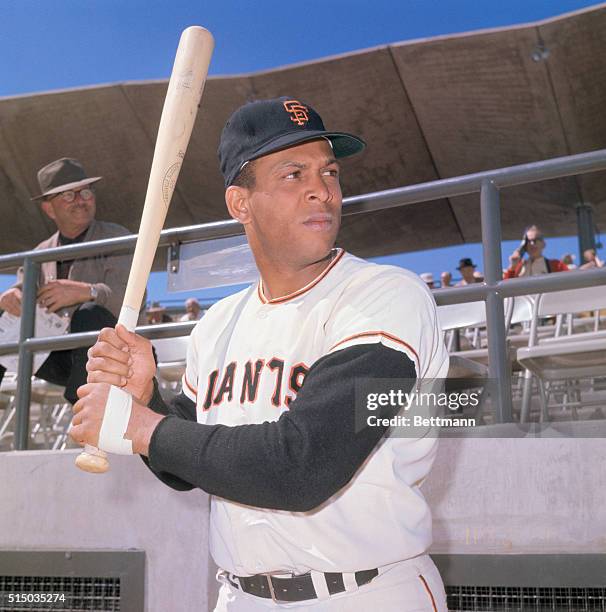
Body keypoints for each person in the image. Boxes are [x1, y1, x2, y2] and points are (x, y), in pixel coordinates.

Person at [72, 97, 449, 610]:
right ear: (240, 203)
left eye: (329, 171)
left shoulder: (387, 296)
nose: (323, 189)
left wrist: (137, 425)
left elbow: (304, 466)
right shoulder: (220, 321)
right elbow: (183, 467)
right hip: (239, 596)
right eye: (294, 174)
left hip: (366, 592)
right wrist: (148, 399)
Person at [0, 157, 140, 404]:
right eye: (67, 195)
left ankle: (83, 414)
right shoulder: (40, 252)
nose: (80, 200)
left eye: (85, 192)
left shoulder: (117, 238)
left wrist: (87, 292)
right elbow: (22, 287)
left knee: (89, 313)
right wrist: (12, 296)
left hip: (118, 354)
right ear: (49, 209)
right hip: (61, 356)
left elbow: (133, 296)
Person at [503, 225, 568, 279]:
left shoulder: (557, 265)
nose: (531, 244)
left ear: (543, 244)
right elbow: (504, 290)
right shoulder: (518, 267)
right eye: (528, 241)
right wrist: (513, 266)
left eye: (535, 240)